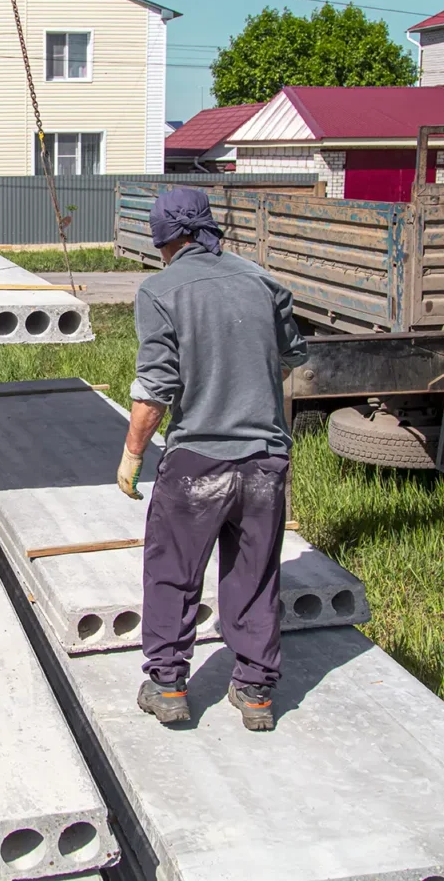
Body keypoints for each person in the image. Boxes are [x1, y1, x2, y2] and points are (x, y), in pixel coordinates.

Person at [116, 186, 308, 731]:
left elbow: (156, 387)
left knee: (173, 573)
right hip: (266, 461)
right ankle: (254, 693)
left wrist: (132, 456)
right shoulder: (263, 282)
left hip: (198, 462)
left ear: (165, 238)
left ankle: (169, 686)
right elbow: (291, 354)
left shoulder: (159, 291)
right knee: (255, 574)